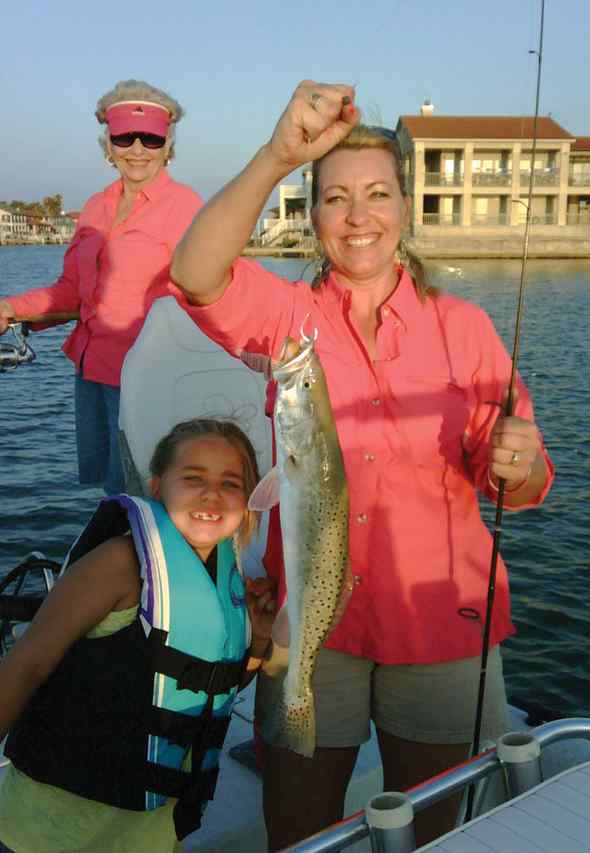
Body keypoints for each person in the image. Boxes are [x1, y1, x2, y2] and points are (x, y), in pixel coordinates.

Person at [169, 81, 555, 848]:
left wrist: (523, 462)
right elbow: (195, 273)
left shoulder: (466, 327)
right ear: (313, 214)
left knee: (433, 830)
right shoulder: (289, 321)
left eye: (378, 193)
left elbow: (522, 481)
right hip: (316, 623)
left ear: (406, 206)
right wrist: (278, 154)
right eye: (335, 197)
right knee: (298, 830)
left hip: (441, 621)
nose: (358, 216)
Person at [0, 418, 275, 853]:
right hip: (53, 828)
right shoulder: (119, 563)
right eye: (193, 478)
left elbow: (208, 690)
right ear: (157, 486)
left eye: (230, 484)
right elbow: (27, 664)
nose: (212, 494)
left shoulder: (228, 577)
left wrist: (257, 642)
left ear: (249, 501)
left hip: (151, 831)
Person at [0, 80, 203, 494]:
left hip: (150, 380)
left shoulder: (187, 207)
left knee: (147, 492)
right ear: (108, 145)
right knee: (115, 494)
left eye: (150, 138)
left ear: (168, 144)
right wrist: (9, 308)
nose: (137, 149)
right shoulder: (95, 207)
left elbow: (213, 295)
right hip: (91, 374)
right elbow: (73, 291)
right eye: (125, 137)